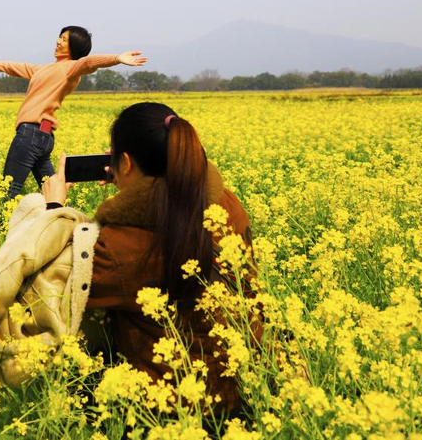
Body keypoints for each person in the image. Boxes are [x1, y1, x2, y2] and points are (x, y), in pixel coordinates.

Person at [40, 102, 262, 417]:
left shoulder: (122, 247)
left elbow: (55, 283)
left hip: (168, 411)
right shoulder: (225, 203)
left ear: (125, 162)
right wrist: (129, 183)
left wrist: (53, 208)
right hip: (241, 390)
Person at [0, 26, 147, 199]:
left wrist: (116, 58)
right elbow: (14, 67)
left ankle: (1, 227)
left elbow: (88, 62)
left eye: (64, 39)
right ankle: (66, 223)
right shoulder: (42, 69)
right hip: (43, 137)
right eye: (60, 37)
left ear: (74, 46)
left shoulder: (70, 68)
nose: (58, 41)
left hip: (30, 134)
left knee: (8, 192)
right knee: (55, 192)